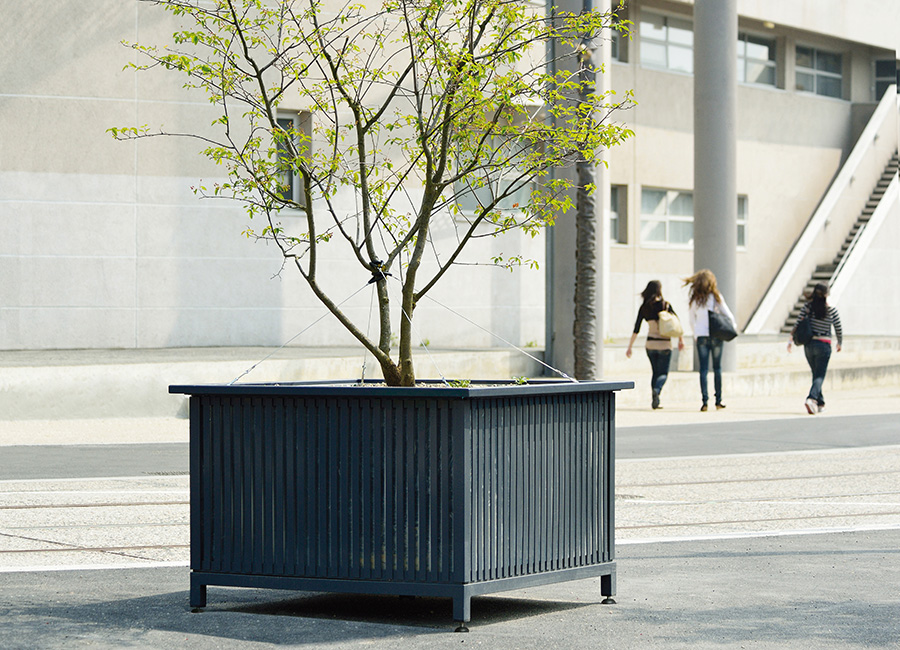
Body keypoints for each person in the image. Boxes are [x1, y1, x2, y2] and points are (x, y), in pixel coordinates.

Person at [683, 269, 737, 412]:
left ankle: (704, 401)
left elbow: (691, 320)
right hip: (716, 335)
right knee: (717, 368)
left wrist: (695, 334)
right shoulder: (716, 296)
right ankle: (718, 400)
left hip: (701, 336)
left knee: (703, 369)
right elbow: (728, 314)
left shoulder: (695, 299)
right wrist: (733, 327)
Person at [626, 280, 685, 410]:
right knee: (663, 373)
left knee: (655, 372)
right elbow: (677, 323)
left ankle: (655, 399)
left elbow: (636, 328)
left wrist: (630, 346)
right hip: (664, 344)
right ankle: (657, 391)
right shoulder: (665, 305)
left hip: (650, 344)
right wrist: (681, 340)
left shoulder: (644, 307)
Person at [787, 282, 842, 414]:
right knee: (819, 376)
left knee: (816, 374)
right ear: (826, 294)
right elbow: (838, 327)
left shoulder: (807, 307)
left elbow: (798, 322)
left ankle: (820, 403)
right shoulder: (831, 309)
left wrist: (790, 340)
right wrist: (840, 342)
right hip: (824, 345)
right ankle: (811, 398)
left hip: (809, 346)